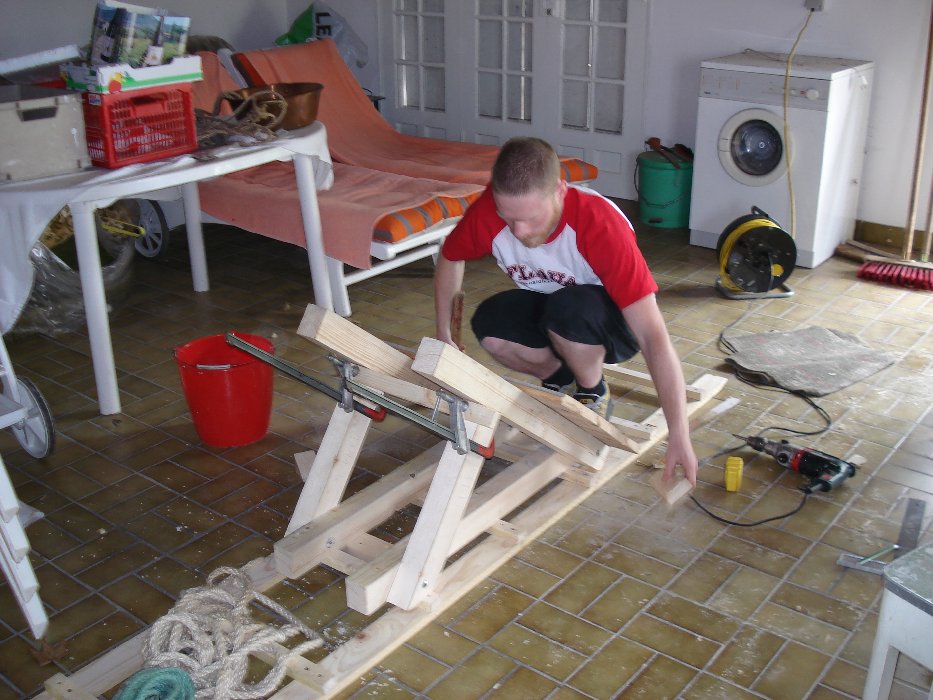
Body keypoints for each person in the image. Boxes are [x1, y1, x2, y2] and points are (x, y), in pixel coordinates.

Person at [434, 137, 699, 485]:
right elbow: (450, 257)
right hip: (552, 311)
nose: (519, 231)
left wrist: (679, 433)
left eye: (530, 218)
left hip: (607, 324)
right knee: (490, 323)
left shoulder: (599, 224)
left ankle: (592, 390)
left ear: (559, 191)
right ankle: (559, 379)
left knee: (568, 308)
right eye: (507, 217)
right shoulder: (491, 210)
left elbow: (653, 337)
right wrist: (444, 335)